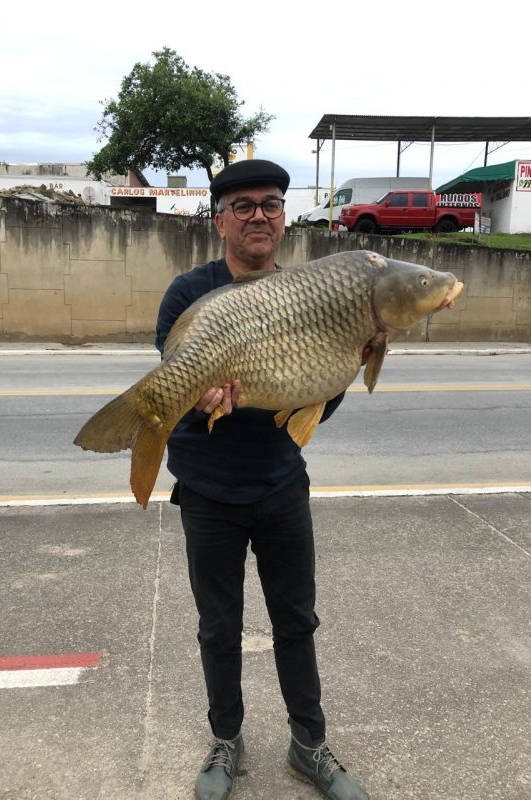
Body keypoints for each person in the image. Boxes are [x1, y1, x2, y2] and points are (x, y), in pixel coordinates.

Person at [155, 159, 369, 800]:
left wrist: (340, 370)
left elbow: (318, 405)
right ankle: (227, 738)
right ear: (219, 219)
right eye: (242, 204)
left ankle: (310, 744)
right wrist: (195, 397)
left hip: (280, 486)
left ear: (284, 218)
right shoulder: (187, 294)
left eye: (270, 203)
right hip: (209, 491)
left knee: (297, 620)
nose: (258, 215)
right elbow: (176, 382)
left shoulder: (312, 294)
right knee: (218, 626)